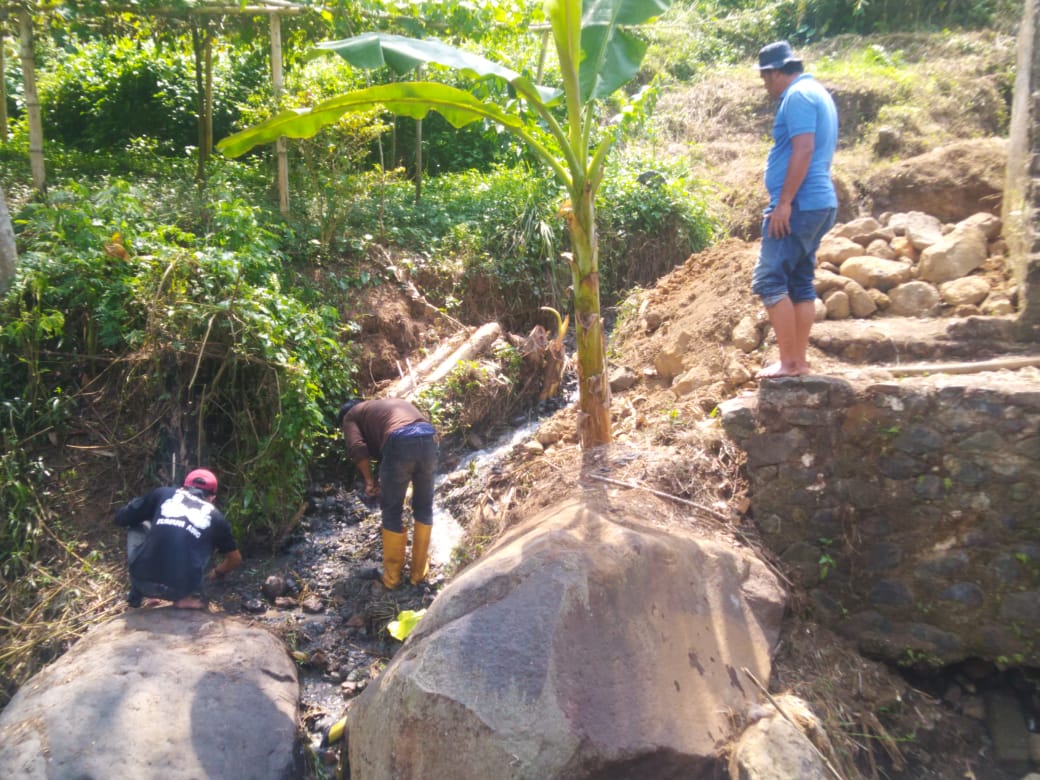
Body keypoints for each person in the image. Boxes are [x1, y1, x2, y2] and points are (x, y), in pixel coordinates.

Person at [752, 40, 839, 378]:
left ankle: (789, 363)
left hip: (801, 204)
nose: (766, 87)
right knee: (800, 281)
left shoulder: (798, 96)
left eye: (765, 79)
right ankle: (798, 362)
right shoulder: (817, 92)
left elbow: (803, 149)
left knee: (769, 279)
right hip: (818, 203)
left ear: (775, 73)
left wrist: (784, 203)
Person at [338, 398, 437, 590]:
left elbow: (358, 448)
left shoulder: (350, 416)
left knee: (391, 511)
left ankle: (392, 578)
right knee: (424, 507)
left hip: (400, 440)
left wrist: (369, 480)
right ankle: (418, 574)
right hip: (429, 437)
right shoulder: (380, 408)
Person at [114, 468, 241, 609]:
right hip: (179, 591)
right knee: (203, 540)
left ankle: (136, 597)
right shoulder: (216, 517)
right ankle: (189, 596)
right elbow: (235, 559)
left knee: (138, 525)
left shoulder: (164, 493)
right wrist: (217, 572)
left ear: (183, 487)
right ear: (212, 498)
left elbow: (122, 518)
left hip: (142, 582)